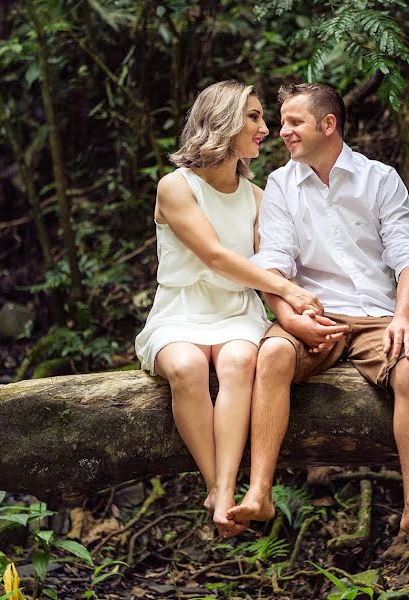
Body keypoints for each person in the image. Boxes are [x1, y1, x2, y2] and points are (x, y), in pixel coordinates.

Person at [228, 83, 409, 545]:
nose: (281, 132)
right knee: (270, 357)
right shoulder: (282, 184)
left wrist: (403, 318)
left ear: (328, 125)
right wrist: (289, 321)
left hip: (375, 315)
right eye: (282, 122)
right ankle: (260, 491)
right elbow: (272, 264)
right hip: (312, 313)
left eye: (294, 122)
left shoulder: (379, 179)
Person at [135, 80, 324, 538]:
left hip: (236, 312)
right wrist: (287, 288)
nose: (266, 128)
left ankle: (225, 489)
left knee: (241, 360)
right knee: (185, 367)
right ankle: (218, 489)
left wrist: (299, 311)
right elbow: (217, 257)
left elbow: (270, 269)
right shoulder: (175, 187)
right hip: (181, 310)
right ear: (222, 122)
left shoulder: (257, 198)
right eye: (254, 117)